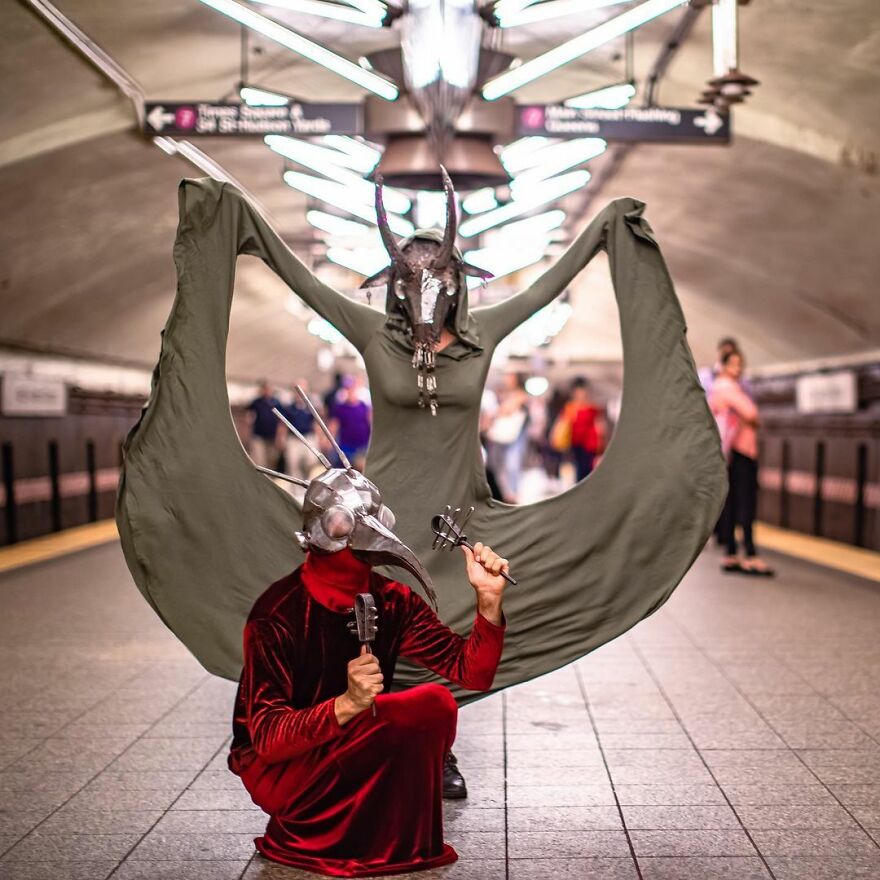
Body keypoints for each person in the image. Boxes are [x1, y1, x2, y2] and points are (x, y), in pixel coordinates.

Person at [229, 441, 508, 876]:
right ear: (320, 530)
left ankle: (381, 829)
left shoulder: (393, 601)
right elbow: (265, 739)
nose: (360, 528)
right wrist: (345, 705)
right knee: (413, 708)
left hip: (346, 742)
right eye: (343, 520)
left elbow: (471, 671)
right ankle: (321, 828)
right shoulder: (277, 613)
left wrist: (488, 604)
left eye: (370, 517)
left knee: (435, 705)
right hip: (283, 770)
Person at [709, 349, 775, 576]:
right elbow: (752, 413)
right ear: (723, 366)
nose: (738, 369)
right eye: (733, 364)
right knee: (746, 503)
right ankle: (750, 555)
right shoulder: (727, 387)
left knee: (732, 503)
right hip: (741, 452)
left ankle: (731, 552)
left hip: (728, 453)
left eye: (740, 364)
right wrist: (753, 419)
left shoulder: (716, 389)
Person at [485, 373, 530, 503]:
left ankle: (512, 493)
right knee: (498, 464)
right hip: (504, 436)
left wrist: (500, 410)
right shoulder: (505, 394)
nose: (507, 379)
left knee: (512, 463)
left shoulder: (520, 394)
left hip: (515, 435)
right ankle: (505, 493)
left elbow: (506, 409)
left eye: (510, 377)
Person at [559, 378, 606, 482]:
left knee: (587, 469)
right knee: (578, 469)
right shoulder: (570, 408)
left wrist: (600, 441)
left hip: (589, 445)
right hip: (575, 443)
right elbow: (564, 424)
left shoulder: (592, 408)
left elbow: (599, 426)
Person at [328, 377, 372, 471]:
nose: (350, 391)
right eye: (348, 389)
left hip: (362, 445)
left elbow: (370, 423)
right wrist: (329, 442)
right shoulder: (340, 408)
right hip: (346, 446)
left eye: (352, 389)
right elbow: (334, 425)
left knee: (362, 469)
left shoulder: (363, 406)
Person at [279, 380, 319, 482]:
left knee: (312, 462)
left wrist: (320, 438)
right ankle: (296, 486)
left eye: (303, 389)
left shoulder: (311, 406)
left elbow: (316, 423)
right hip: (294, 439)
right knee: (292, 463)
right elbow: (283, 424)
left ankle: (309, 482)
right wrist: (281, 438)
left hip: (308, 438)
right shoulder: (289, 407)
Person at [247, 381, 282, 469]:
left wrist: (280, 436)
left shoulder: (276, 402)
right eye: (265, 389)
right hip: (258, 435)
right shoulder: (257, 402)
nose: (266, 391)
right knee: (259, 459)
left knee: (271, 458)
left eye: (268, 389)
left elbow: (281, 421)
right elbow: (248, 413)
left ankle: (270, 476)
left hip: (272, 436)